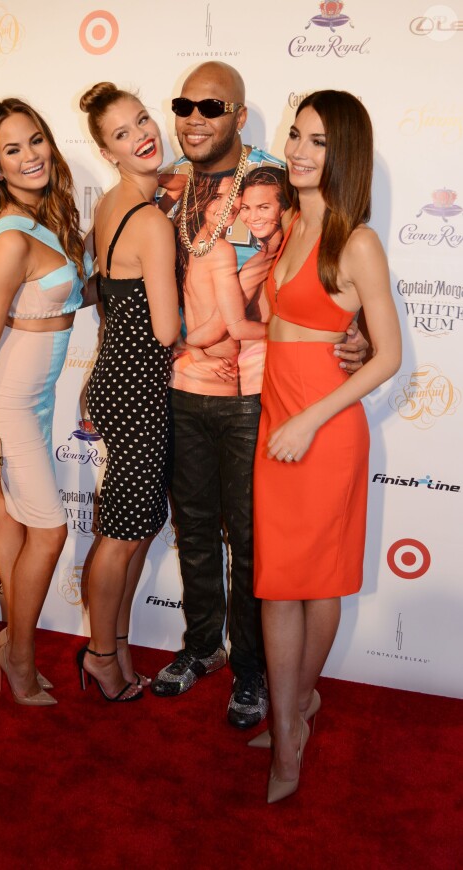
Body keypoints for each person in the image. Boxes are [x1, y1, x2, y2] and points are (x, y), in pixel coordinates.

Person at [151, 62, 368, 730]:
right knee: (192, 530)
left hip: (258, 394)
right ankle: (199, 648)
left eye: (211, 106)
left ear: (240, 116)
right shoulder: (165, 185)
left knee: (253, 545)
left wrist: (353, 332)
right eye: (184, 104)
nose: (195, 117)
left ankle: (251, 672)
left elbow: (329, 263)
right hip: (184, 384)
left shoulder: (281, 179)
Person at [251, 90, 401, 802]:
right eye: (297, 135)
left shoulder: (357, 239)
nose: (301, 151)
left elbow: (388, 355)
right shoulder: (285, 226)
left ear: (346, 154)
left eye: (319, 142)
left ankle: (290, 733)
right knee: (278, 584)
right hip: (276, 417)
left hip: (324, 426)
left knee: (315, 583)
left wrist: (313, 418)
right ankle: (292, 713)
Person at [0, 98, 92, 705]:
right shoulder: (10, 238)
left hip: (35, 400)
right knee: (52, 531)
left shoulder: (47, 217)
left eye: (35, 140)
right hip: (10, 404)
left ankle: (12, 637)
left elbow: (69, 299)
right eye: (13, 149)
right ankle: (21, 656)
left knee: (10, 519)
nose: (31, 155)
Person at [76, 83, 181, 702]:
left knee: (134, 524)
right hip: (139, 386)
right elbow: (167, 329)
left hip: (117, 380)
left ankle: (113, 641)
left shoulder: (115, 204)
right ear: (107, 150)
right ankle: (101, 656)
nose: (141, 134)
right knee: (123, 531)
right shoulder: (150, 223)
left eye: (141, 119)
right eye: (122, 133)